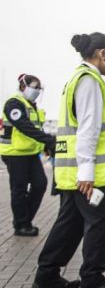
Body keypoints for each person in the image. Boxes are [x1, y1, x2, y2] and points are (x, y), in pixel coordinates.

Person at [33, 32, 105, 288]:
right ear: (102, 54)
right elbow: (88, 130)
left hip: (71, 171)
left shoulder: (76, 79)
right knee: (100, 222)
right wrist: (86, 172)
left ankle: (47, 274)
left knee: (70, 223)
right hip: (87, 173)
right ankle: (93, 282)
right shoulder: (90, 82)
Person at [1, 74, 55, 236]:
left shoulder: (32, 106)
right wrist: (49, 140)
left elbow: (37, 129)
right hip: (15, 153)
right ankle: (21, 225)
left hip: (31, 153)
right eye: (34, 87)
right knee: (19, 189)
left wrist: (46, 145)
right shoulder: (14, 103)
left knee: (40, 184)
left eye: (39, 88)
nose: (37, 91)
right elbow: (24, 126)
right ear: (23, 86)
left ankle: (24, 220)